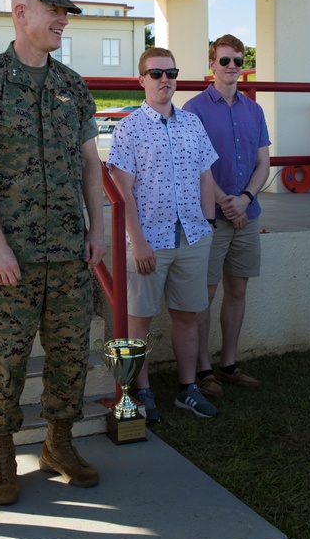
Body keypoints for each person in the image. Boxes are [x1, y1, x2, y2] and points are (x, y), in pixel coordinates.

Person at [0, 0, 105, 506]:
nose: (63, 19)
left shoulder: (73, 85)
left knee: (69, 355)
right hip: (10, 257)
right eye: (54, 10)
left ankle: (58, 445)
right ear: (21, 12)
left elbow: (91, 165)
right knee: (5, 358)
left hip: (69, 251)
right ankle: (1, 456)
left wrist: (99, 229)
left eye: (66, 10)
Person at [107, 47, 219, 423]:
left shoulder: (192, 124)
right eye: (156, 74)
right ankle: (141, 392)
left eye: (170, 72)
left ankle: (187, 389)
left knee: (188, 315)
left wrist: (208, 223)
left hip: (192, 236)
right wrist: (136, 240)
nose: (165, 79)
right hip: (149, 241)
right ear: (141, 80)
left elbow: (206, 174)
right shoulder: (128, 128)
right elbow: (123, 191)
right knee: (139, 320)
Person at [182, 34, 270, 398]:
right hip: (211, 219)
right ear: (211, 64)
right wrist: (224, 202)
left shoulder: (255, 110)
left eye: (237, 60)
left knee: (237, 288)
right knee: (205, 293)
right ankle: (203, 370)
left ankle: (228, 364)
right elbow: (194, 166)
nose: (232, 66)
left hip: (247, 215)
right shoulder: (193, 109)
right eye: (224, 61)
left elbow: (263, 163)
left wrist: (245, 199)